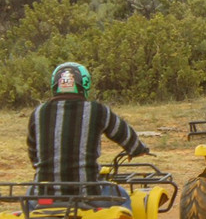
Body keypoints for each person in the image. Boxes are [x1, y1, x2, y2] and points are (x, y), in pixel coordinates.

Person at [28, 62, 149, 196]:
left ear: (54, 84)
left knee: (30, 194)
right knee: (123, 196)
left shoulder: (38, 113)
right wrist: (137, 149)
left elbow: (33, 152)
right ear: (85, 84)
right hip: (88, 194)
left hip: (44, 196)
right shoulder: (97, 110)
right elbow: (123, 133)